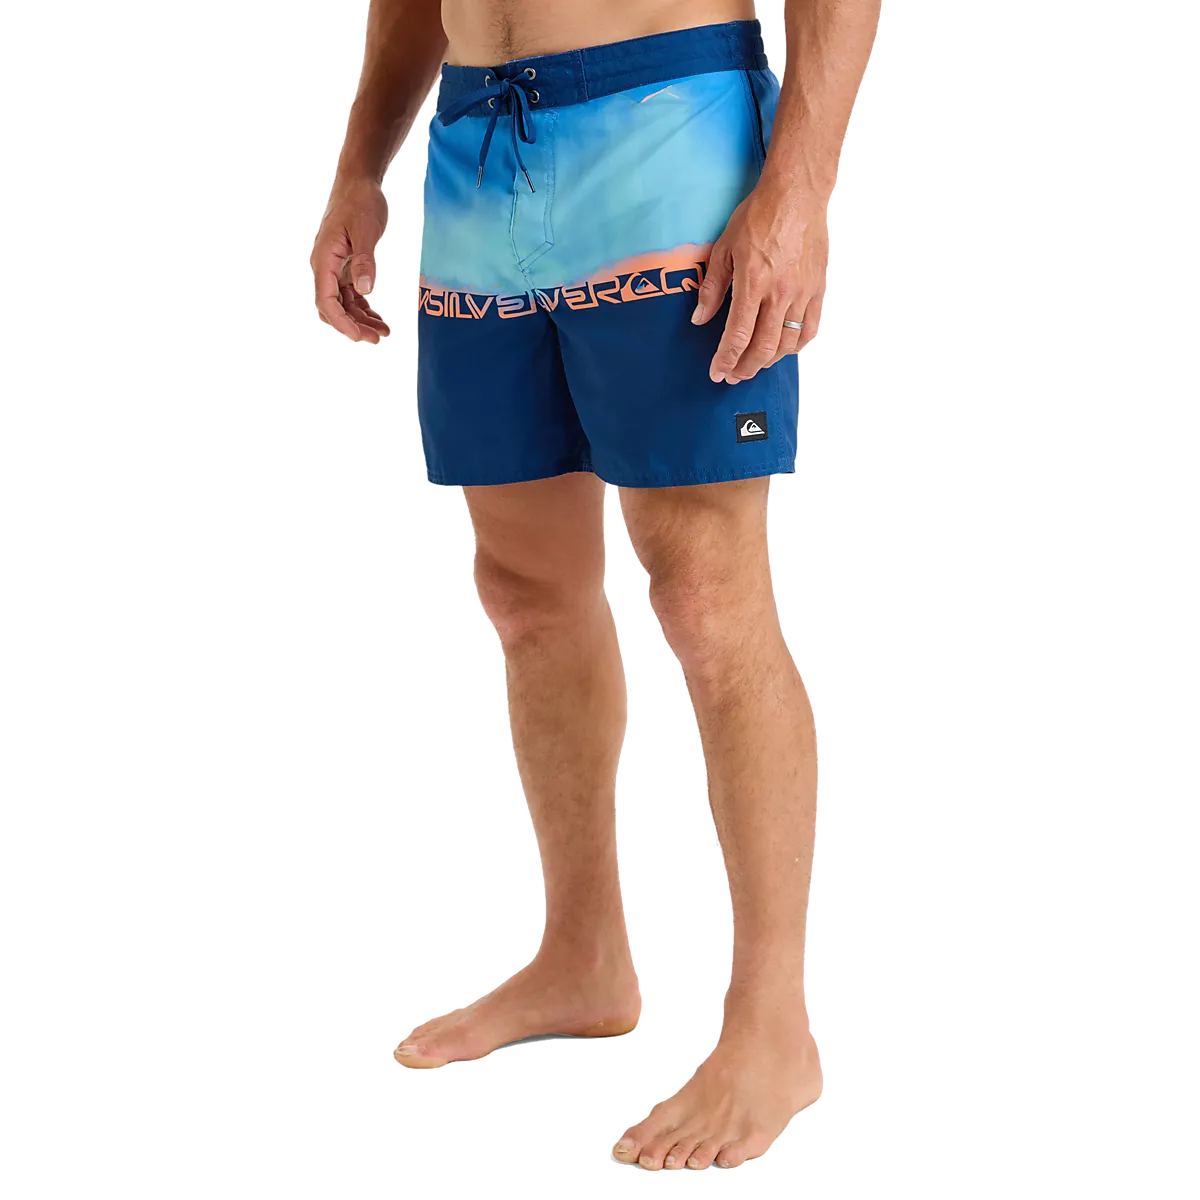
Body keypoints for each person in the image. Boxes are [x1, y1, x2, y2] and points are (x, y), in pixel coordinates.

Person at [312, 0, 880, 1172]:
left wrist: (799, 188)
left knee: (708, 595)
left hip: (668, 126)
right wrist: (361, 168)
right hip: (475, 145)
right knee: (526, 590)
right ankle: (583, 957)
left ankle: (775, 1025)